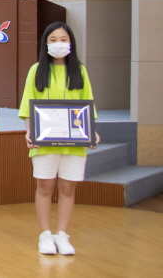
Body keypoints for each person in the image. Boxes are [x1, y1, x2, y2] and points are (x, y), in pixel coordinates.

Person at [19, 22, 99, 256]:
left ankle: (62, 234)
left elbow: (88, 103)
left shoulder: (80, 71)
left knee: (68, 187)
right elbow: (28, 104)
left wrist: (91, 131)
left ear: (70, 42)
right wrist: (29, 131)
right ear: (45, 44)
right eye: (53, 40)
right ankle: (45, 234)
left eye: (63, 39)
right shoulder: (36, 70)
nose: (58, 44)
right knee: (45, 187)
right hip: (44, 141)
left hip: (74, 142)